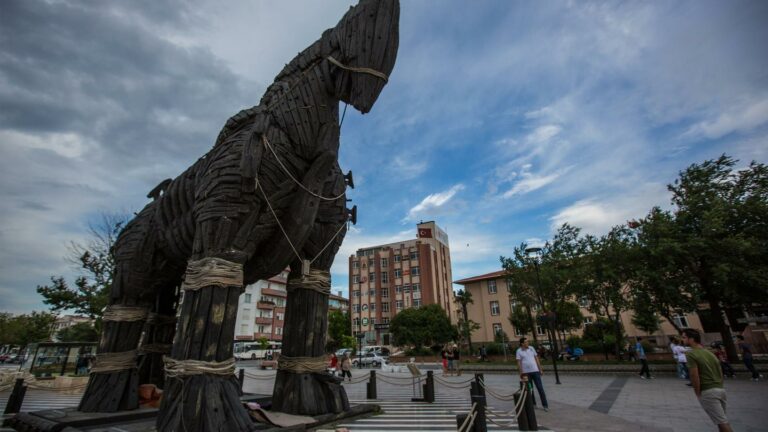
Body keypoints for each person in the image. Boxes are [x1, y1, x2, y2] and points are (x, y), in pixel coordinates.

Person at [682, 329, 733, 432]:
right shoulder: (710, 353)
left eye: (684, 337)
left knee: (722, 423)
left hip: (708, 391)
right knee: (720, 421)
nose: (682, 340)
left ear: (691, 339)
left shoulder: (691, 354)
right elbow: (720, 371)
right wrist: (719, 384)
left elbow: (694, 375)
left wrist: (697, 392)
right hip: (720, 389)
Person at [515, 337, 548, 411]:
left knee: (540, 388)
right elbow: (519, 363)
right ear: (522, 343)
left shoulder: (531, 348)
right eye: (526, 342)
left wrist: (540, 369)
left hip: (535, 371)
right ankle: (533, 404)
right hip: (526, 373)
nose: (527, 343)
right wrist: (521, 373)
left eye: (528, 342)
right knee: (530, 389)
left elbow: (536, 359)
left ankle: (545, 405)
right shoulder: (519, 351)